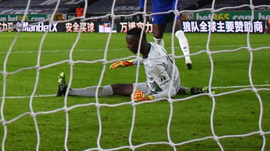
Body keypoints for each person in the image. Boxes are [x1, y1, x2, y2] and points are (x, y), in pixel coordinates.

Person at [57, 27, 206, 101]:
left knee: (116, 88)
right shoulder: (154, 47)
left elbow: (170, 92)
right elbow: (148, 60)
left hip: (157, 87)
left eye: (130, 43)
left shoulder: (154, 66)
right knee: (119, 87)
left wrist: (149, 98)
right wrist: (129, 62)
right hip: (171, 80)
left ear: (140, 42)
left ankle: (69, 92)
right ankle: (189, 91)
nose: (128, 46)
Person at [140, 0, 193, 69]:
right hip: (158, 12)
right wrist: (141, 8)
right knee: (157, 37)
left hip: (172, 11)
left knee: (179, 32)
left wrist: (173, 9)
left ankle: (187, 59)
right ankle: (164, 59)